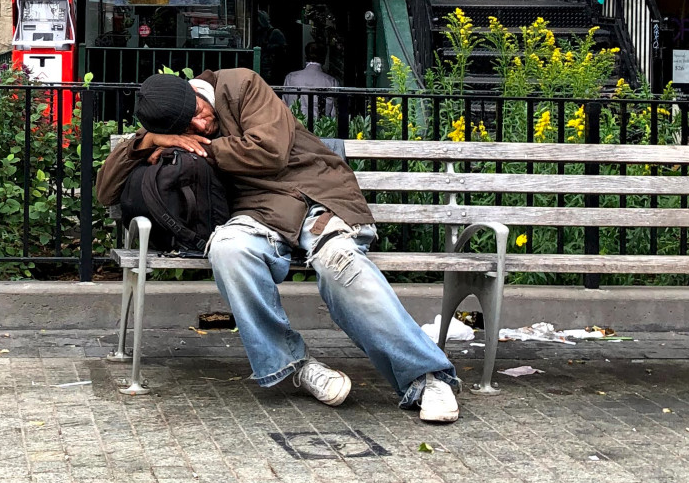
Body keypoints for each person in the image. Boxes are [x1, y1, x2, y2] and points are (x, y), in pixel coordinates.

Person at [95, 69, 461, 422]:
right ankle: (293, 364)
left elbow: (269, 151)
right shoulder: (166, 120)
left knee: (340, 262)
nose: (200, 128)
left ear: (195, 93)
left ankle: (426, 376)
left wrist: (201, 148)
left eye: (199, 116)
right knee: (227, 249)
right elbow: (105, 191)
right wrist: (148, 142)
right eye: (186, 130)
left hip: (319, 196)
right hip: (258, 213)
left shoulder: (240, 85)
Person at [282, 42, 339, 119]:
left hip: (296, 126)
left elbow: (284, 106)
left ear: (306, 56)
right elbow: (333, 114)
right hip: (320, 128)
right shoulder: (331, 81)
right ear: (324, 58)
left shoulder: (291, 77)